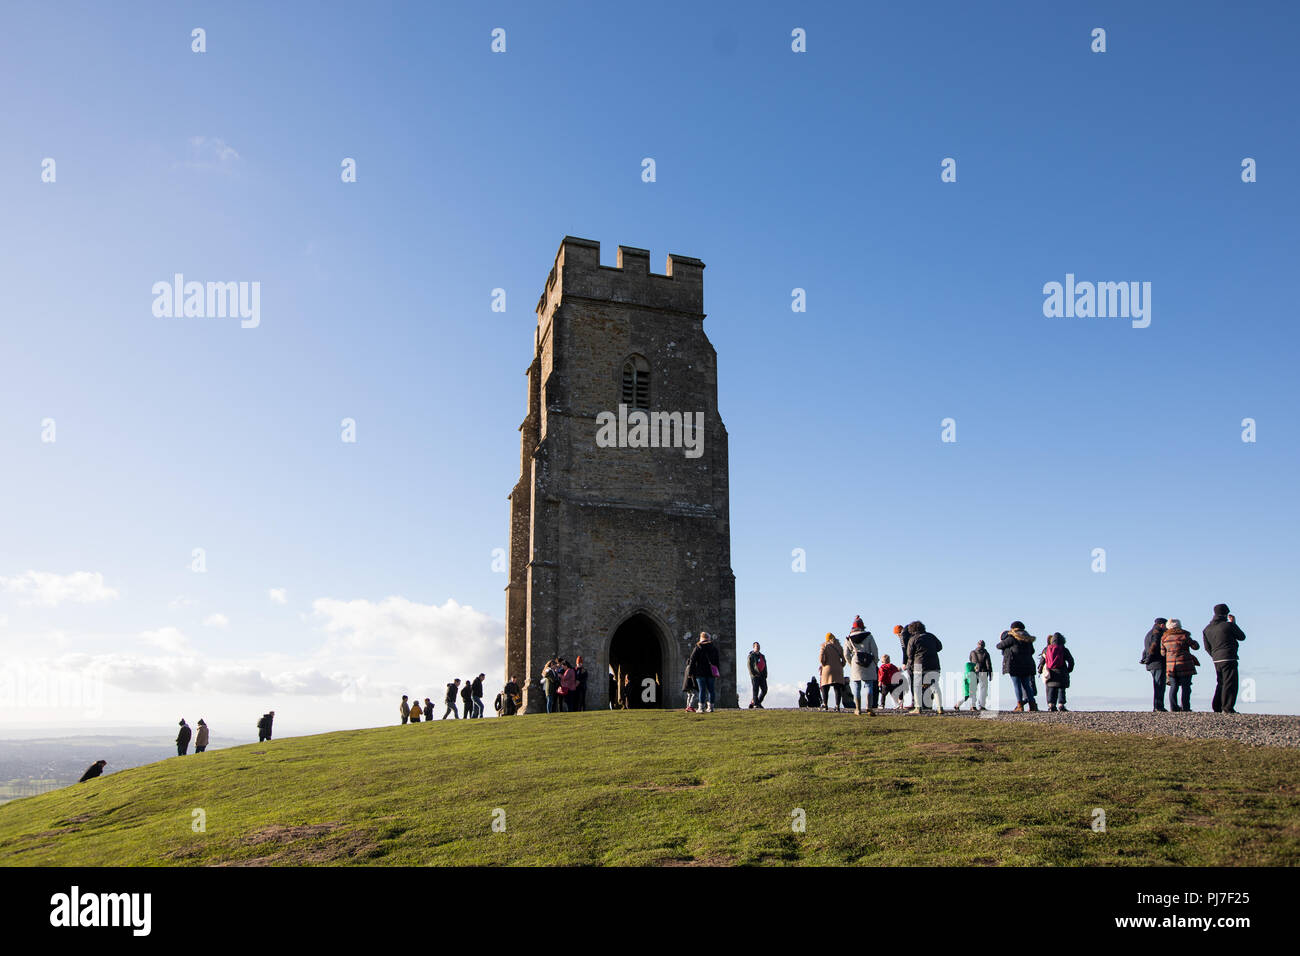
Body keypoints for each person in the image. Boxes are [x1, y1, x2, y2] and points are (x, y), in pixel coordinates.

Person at [1203, 604, 1246, 714]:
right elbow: (1241, 637)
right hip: (1229, 657)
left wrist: (1214, 655)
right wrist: (1233, 624)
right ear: (1226, 613)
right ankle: (1227, 707)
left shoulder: (1207, 629)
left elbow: (1207, 647)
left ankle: (1217, 706)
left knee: (1221, 682)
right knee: (1230, 683)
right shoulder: (1228, 625)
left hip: (1216, 658)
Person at [998, 621, 1039, 711]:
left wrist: (1005, 637)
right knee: (1027, 685)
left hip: (1014, 665)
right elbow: (1032, 651)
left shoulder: (1012, 638)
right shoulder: (1028, 639)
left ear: (1013, 629)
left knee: (1017, 685)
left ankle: (1020, 706)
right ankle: (1032, 705)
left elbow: (999, 646)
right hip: (1027, 665)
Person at [905, 621, 943, 714]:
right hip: (934, 664)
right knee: (935, 686)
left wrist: (909, 665)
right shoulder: (931, 636)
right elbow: (940, 647)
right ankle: (939, 707)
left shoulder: (913, 639)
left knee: (917, 686)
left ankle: (918, 708)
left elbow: (909, 655)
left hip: (919, 664)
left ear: (912, 630)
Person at [1162, 619, 1200, 712]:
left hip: (1171, 666)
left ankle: (1173, 707)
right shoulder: (1184, 635)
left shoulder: (1164, 638)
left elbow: (1162, 653)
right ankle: (1185, 707)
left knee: (1173, 686)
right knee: (1186, 686)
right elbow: (1196, 647)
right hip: (1185, 664)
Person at [844, 617, 878, 715]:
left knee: (856, 686)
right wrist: (875, 662)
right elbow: (875, 650)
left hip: (856, 662)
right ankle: (869, 707)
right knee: (869, 685)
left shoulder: (849, 638)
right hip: (868, 661)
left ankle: (858, 709)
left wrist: (851, 663)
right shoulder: (869, 636)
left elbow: (846, 654)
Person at [1039, 633, 1075, 712]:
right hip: (1062, 672)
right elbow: (1071, 661)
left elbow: (1042, 661)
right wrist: (1069, 669)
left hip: (1051, 672)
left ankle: (1051, 705)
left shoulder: (1046, 649)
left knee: (1051, 689)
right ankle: (1061, 705)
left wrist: (1040, 669)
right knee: (1061, 689)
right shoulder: (1064, 649)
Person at [686, 631, 720, 713]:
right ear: (708, 638)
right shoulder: (714, 648)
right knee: (711, 690)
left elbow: (692, 661)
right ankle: (711, 707)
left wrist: (690, 672)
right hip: (711, 672)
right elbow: (717, 661)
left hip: (700, 672)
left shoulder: (698, 647)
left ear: (701, 639)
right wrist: (717, 671)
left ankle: (701, 707)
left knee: (702, 690)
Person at [1141, 618, 1168, 712]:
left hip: (1151, 664)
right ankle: (1158, 706)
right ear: (1162, 625)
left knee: (1157, 685)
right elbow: (1154, 646)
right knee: (1160, 685)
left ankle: (1158, 706)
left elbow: (1146, 649)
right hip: (1157, 662)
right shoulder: (1157, 634)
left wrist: (1145, 658)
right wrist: (1150, 657)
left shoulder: (1148, 634)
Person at [819, 633, 846, 711]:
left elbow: (821, 657)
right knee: (837, 688)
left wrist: (823, 664)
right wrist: (841, 665)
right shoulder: (839, 646)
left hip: (827, 668)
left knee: (824, 687)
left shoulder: (824, 646)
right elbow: (844, 659)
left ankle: (825, 704)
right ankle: (837, 706)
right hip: (838, 669)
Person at [969, 640, 993, 711]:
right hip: (983, 672)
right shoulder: (986, 653)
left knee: (973, 689)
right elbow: (988, 664)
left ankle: (972, 705)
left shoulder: (972, 652)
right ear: (984, 645)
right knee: (983, 690)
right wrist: (990, 673)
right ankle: (981, 705)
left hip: (974, 672)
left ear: (977, 645)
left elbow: (970, 660)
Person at [894, 624, 912, 707]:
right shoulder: (910, 634)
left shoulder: (902, 637)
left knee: (912, 679)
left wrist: (904, 663)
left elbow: (904, 651)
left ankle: (914, 701)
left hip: (910, 660)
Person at [747, 642, 768, 708]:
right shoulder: (751, 656)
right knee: (755, 690)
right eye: (756, 646)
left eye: (759, 646)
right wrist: (753, 674)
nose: (758, 648)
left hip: (762, 675)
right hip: (755, 676)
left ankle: (756, 702)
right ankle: (756, 704)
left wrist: (765, 674)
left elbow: (765, 665)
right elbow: (749, 666)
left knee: (764, 690)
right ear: (754, 647)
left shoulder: (762, 656)